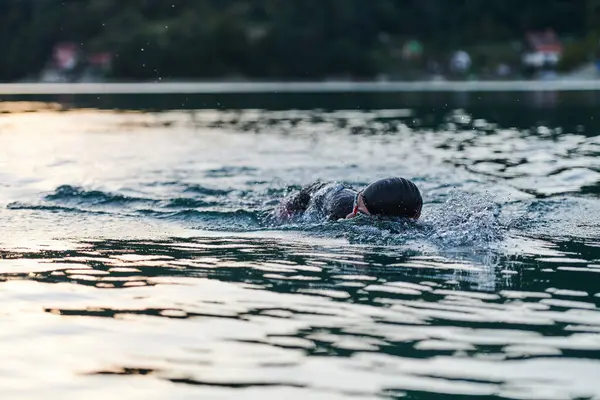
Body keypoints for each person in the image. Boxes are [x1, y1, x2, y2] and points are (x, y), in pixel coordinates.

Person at [274, 177, 422, 222]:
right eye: (357, 210)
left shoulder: (409, 217)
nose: (354, 213)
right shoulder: (340, 212)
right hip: (316, 192)